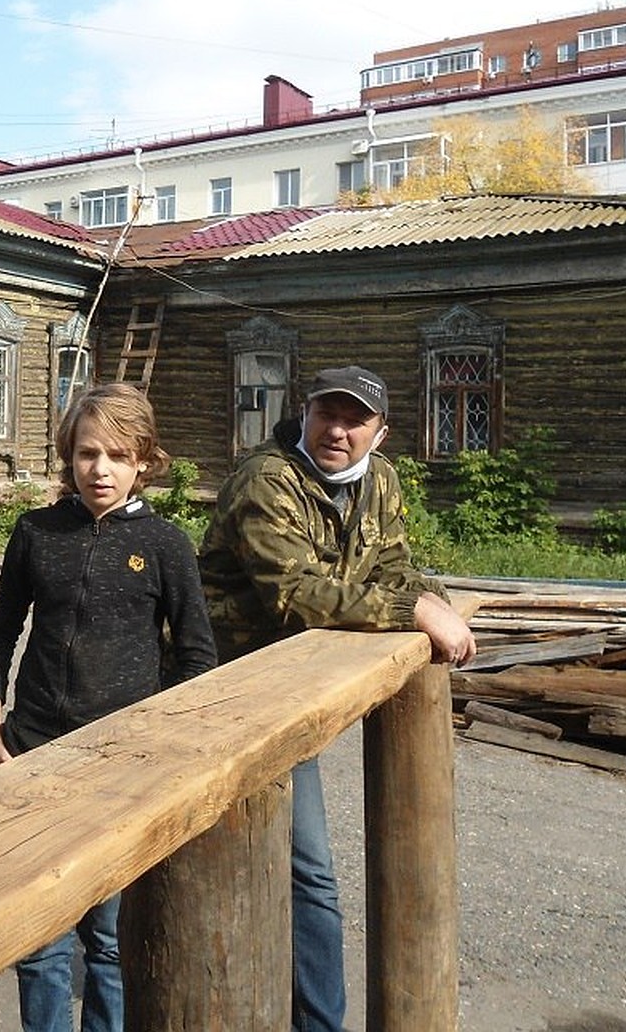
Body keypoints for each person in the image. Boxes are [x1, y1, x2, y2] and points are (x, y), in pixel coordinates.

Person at [198, 364, 476, 1032]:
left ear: (381, 433)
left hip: (289, 689)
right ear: (307, 410)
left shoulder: (379, 480)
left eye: (356, 420)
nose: (339, 430)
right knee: (286, 872)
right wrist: (415, 609)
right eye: (329, 412)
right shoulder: (267, 479)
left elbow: (391, 564)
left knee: (292, 872)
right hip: (223, 690)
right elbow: (297, 598)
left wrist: (428, 596)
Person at [0, 382, 217, 1032]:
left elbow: (198, 657)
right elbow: (1, 627)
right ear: (68, 456)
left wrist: (163, 749)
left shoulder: (165, 544)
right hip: (33, 757)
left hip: (120, 772)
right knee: (39, 938)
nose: (99, 469)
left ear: (143, 459)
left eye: (115, 454)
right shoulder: (37, 532)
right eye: (87, 454)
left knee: (108, 942)